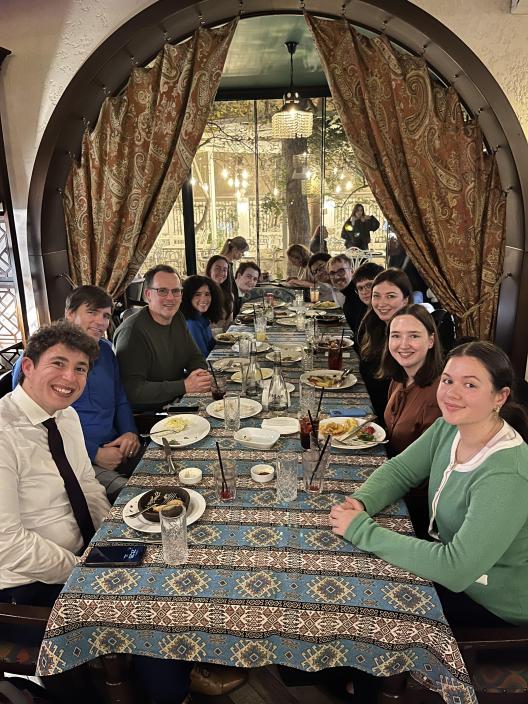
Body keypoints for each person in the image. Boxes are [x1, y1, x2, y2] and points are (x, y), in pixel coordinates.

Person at [329, 341, 528, 628]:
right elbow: (401, 470)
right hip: (446, 555)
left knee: (369, 607)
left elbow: (456, 568)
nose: (452, 393)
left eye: (470, 385)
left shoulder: (507, 474)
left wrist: (361, 529)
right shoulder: (449, 426)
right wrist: (361, 502)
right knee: (358, 576)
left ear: (500, 396)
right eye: (447, 380)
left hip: (490, 599)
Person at [12, 285, 140, 503]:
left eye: (106, 316)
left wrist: (129, 433)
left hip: (117, 447)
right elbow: (30, 426)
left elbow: (120, 399)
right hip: (71, 460)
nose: (101, 322)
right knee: (136, 499)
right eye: (92, 312)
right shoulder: (38, 360)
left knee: (170, 470)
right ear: (70, 314)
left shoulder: (107, 352)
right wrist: (94, 453)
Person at [113, 264, 210, 411]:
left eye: (176, 291)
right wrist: (184, 385)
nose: (170, 298)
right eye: (162, 291)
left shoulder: (177, 317)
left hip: (177, 400)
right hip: (151, 415)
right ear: (148, 295)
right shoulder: (132, 333)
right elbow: (132, 390)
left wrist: (199, 376)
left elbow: (194, 357)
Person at [380, 304, 443, 456]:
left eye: (414, 336)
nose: (403, 345)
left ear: (431, 341)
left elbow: (428, 460)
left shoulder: (439, 396)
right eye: (396, 336)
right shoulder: (400, 378)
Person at [357, 268, 412, 420]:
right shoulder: (374, 325)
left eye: (390, 296)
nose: (382, 303)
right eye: (377, 296)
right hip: (371, 408)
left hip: (392, 419)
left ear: (405, 299)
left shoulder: (409, 337)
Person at [180, 275, 224, 357]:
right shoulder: (192, 324)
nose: (204, 299)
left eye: (207, 294)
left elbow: (211, 346)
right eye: (197, 294)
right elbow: (203, 357)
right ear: (188, 297)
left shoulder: (202, 318)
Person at [327, 254, 366, 340]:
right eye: (332, 273)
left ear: (352, 272)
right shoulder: (349, 295)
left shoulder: (359, 294)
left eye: (341, 272)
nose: (336, 277)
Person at [205, 254, 233, 328]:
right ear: (209, 270)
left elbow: (229, 322)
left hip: (225, 337)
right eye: (217, 268)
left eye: (224, 270)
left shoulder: (229, 295)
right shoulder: (203, 295)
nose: (221, 272)